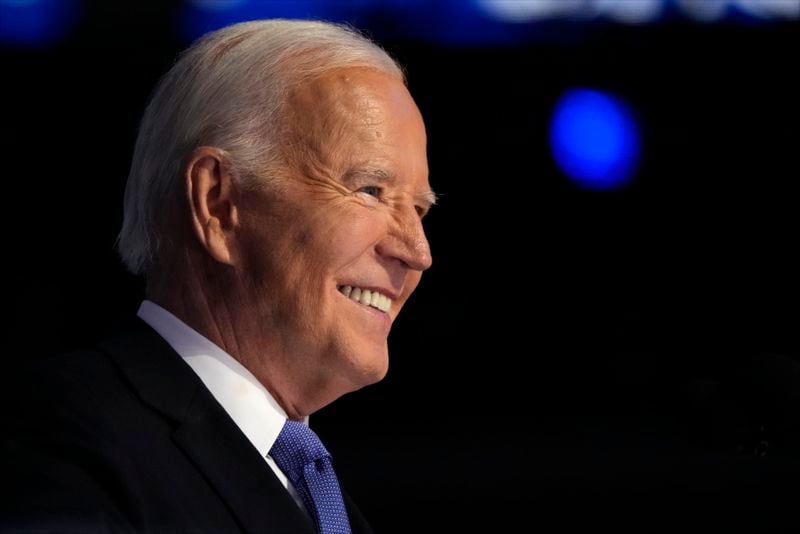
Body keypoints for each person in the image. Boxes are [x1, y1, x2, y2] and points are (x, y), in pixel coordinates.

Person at [1, 18, 434, 533]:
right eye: (370, 191)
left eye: (421, 210)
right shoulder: (60, 437)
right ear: (218, 204)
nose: (417, 251)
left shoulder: (323, 498)